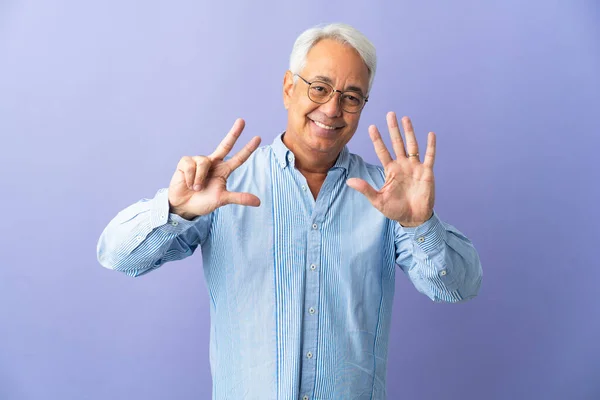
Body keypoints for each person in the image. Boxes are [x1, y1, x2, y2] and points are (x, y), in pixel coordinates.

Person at [97, 23, 482, 400]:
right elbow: (118, 256)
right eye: (319, 88)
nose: (332, 108)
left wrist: (420, 224)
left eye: (351, 96)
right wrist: (177, 209)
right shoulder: (224, 188)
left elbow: (458, 289)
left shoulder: (387, 196)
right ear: (288, 88)